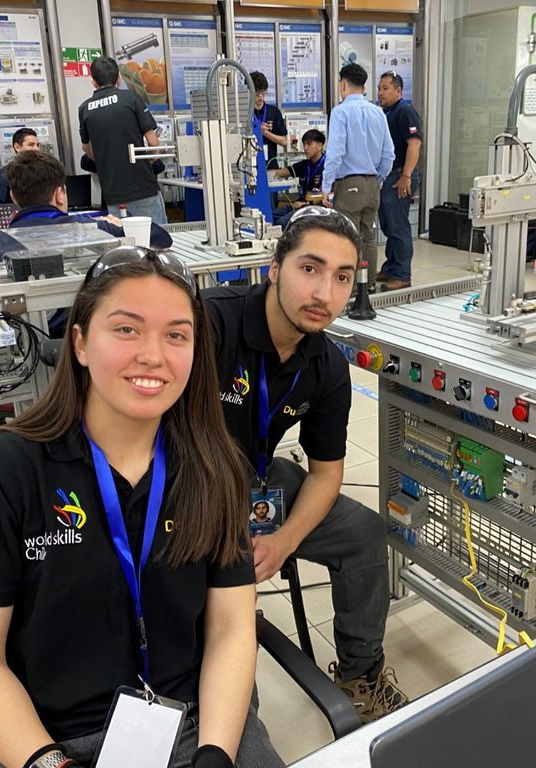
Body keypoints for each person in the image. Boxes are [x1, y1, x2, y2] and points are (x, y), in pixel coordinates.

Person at [0, 245, 284, 768]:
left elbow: (232, 629)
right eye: (126, 329)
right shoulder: (5, 472)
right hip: (47, 740)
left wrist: (215, 754)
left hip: (191, 721)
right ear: (79, 342)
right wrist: (51, 763)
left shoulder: (215, 468)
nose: (153, 355)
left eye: (176, 335)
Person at [204, 207, 408, 724]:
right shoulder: (211, 324)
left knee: (362, 532)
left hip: (256, 481)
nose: (324, 294)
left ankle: (361, 676)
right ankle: (222, 712)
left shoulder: (327, 366)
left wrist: (284, 539)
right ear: (275, 267)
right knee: (220, 590)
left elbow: (325, 473)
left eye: (342, 277)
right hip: (184, 491)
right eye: (310, 268)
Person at [0, 151, 172, 265]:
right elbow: (160, 237)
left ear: (13, 197)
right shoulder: (96, 229)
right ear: (59, 195)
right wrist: (120, 224)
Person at [321, 63, 394, 289]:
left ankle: (351, 289)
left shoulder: (341, 112)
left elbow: (335, 153)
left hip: (349, 185)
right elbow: (389, 154)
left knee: (348, 238)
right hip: (372, 185)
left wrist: (326, 186)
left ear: (343, 84)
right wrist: (378, 180)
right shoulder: (378, 112)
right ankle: (368, 285)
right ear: (363, 86)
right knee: (368, 236)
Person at [79, 56, 168, 225]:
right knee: (155, 237)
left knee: (123, 237)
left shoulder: (85, 108)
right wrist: (151, 159)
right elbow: (153, 141)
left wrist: (104, 163)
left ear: (93, 82)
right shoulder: (131, 98)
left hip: (113, 191)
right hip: (142, 187)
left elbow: (86, 147)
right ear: (119, 79)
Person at [376, 72, 422, 291]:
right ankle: (391, 267)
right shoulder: (387, 113)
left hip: (400, 176)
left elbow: (414, 144)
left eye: (385, 88)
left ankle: (402, 275)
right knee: (388, 224)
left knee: (398, 226)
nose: (380, 93)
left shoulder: (405, 111)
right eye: (379, 88)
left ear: (398, 90)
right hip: (388, 176)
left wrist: (406, 176)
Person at [272, 128, 326, 228]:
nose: (305, 148)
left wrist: (305, 203)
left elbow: (330, 194)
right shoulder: (304, 165)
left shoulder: (328, 166)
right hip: (298, 205)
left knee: (282, 222)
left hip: (313, 208)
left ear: (319, 146)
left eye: (309, 144)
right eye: (304, 144)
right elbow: (281, 173)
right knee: (269, 216)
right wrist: (259, 173)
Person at [0, 128, 40, 206]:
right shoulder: (3, 176)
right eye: (31, 145)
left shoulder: (44, 172)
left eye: (37, 145)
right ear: (17, 147)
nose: (36, 149)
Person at [250, 71, 287, 166]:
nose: (260, 96)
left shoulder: (273, 112)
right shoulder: (244, 113)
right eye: (257, 93)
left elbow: (284, 141)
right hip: (250, 165)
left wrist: (265, 133)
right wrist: (256, 130)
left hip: (270, 165)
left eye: (263, 92)